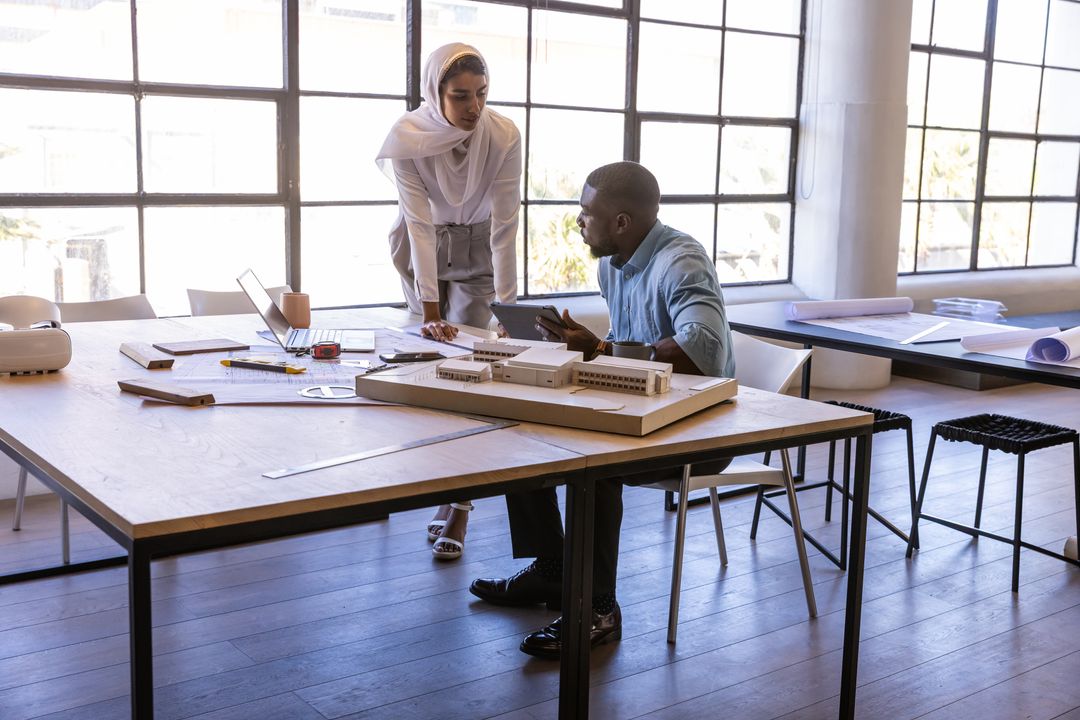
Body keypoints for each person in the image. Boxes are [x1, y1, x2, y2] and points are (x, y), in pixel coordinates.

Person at [468, 161, 735, 658]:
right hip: (643, 412)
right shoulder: (610, 264)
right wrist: (578, 347)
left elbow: (703, 349)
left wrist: (603, 349)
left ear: (622, 223)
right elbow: (627, 353)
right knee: (525, 424)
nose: (578, 222)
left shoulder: (682, 263)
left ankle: (597, 608)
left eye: (587, 213)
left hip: (699, 430)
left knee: (598, 463)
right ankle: (553, 572)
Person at [376, 42, 522, 561]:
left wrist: (508, 311)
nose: (473, 108)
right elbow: (417, 223)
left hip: (480, 244)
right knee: (431, 370)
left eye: (482, 94)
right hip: (423, 249)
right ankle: (442, 489)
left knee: (470, 372)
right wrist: (430, 311)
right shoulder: (408, 137)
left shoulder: (503, 134)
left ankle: (460, 505)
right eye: (460, 96)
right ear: (435, 92)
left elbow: (506, 224)